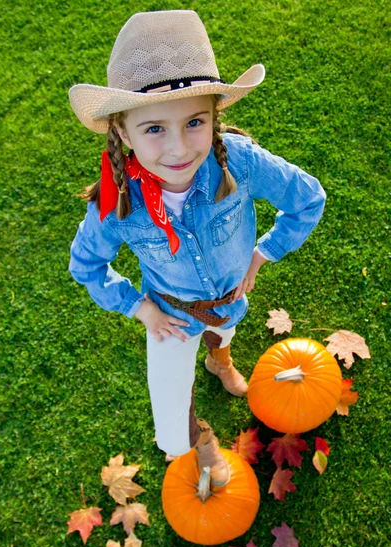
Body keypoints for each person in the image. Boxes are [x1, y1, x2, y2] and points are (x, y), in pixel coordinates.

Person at [68, 10, 326, 487]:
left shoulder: (239, 161)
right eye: (154, 129)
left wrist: (263, 253)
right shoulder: (115, 203)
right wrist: (139, 308)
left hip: (230, 301)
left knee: (224, 331)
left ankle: (218, 359)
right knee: (170, 425)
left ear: (214, 117)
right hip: (170, 317)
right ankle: (202, 442)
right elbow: (86, 265)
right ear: (123, 133)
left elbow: (307, 199)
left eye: (194, 122)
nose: (179, 148)